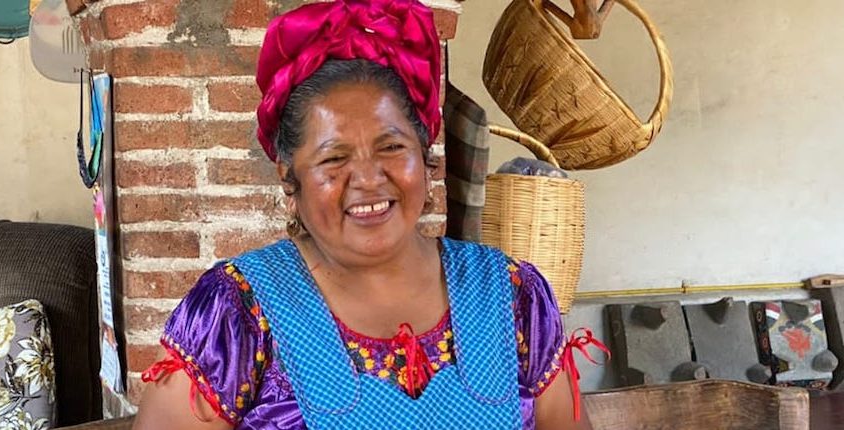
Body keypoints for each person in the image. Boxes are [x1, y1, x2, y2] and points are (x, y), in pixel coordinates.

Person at [134, 1, 603, 428]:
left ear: (424, 155)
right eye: (333, 158)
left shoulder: (511, 296)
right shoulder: (235, 314)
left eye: (392, 147)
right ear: (289, 177)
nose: (368, 178)